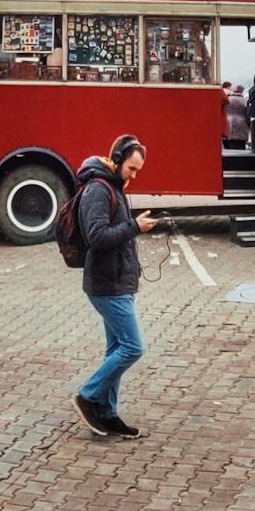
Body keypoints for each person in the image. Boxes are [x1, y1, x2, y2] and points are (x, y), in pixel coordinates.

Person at [73, 134, 157, 439]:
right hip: (106, 284)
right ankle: (88, 395)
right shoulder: (98, 188)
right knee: (132, 347)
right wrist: (134, 226)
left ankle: (107, 414)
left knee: (116, 349)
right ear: (118, 159)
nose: (134, 175)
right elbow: (97, 236)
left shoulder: (113, 186)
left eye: (138, 171)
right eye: (131, 168)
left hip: (118, 281)